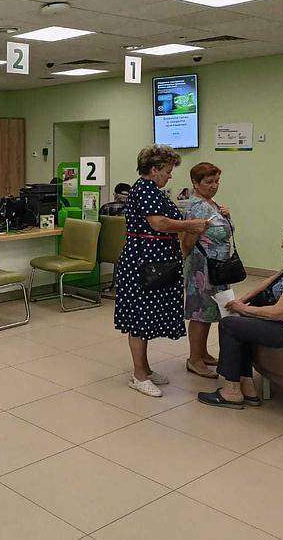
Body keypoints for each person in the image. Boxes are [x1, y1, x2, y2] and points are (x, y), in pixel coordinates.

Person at [198, 217, 283, 409]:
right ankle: (247, 385)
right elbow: (271, 280)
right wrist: (242, 301)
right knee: (243, 322)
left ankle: (231, 391)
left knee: (230, 325)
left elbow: (280, 313)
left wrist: (243, 308)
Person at [114, 145, 209, 397]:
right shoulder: (145, 190)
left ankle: (145, 368)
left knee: (147, 316)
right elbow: (159, 223)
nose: (170, 175)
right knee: (139, 318)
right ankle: (138, 375)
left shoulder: (153, 190)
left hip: (155, 261)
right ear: (154, 169)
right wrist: (190, 226)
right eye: (167, 171)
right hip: (142, 263)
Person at [181, 162, 233, 378]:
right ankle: (194, 359)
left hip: (217, 268)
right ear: (195, 183)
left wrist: (227, 216)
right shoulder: (197, 208)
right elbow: (187, 242)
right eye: (209, 182)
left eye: (217, 181)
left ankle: (202, 353)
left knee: (211, 311)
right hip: (202, 269)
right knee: (200, 313)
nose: (214, 186)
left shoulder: (212, 204)